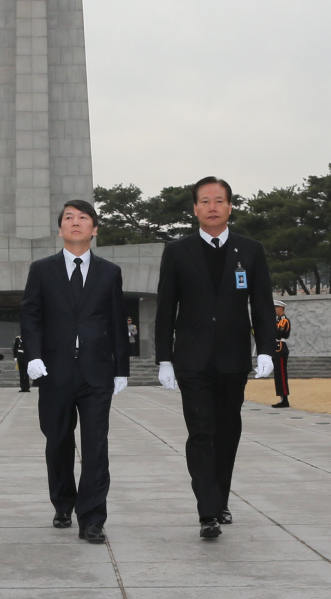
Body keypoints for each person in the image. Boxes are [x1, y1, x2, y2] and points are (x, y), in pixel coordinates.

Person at [155, 176, 276, 540]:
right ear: (194, 208)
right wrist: (164, 358)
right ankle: (208, 511)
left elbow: (263, 304)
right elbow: (165, 308)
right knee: (201, 431)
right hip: (192, 359)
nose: (212, 206)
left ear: (230, 207)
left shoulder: (250, 250)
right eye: (204, 201)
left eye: (219, 200)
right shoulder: (177, 250)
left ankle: (220, 498)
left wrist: (267, 348)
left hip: (233, 357)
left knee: (227, 430)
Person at [20, 199, 129, 544]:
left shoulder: (109, 272)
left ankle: (93, 518)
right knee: (58, 440)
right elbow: (31, 316)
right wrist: (33, 357)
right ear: (60, 229)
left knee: (96, 445)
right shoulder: (42, 269)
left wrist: (121, 368)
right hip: (55, 371)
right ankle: (63, 502)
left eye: (84, 218)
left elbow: (116, 322)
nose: (76, 222)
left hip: (97, 373)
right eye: (69, 218)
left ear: (94, 229)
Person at [272, 299, 291, 408]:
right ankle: (282, 398)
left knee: (282, 374)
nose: (274, 310)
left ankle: (285, 399)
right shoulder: (276, 321)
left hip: (281, 347)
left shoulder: (284, 321)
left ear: (281, 308)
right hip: (275, 347)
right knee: (278, 375)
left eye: (276, 308)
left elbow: (279, 333)